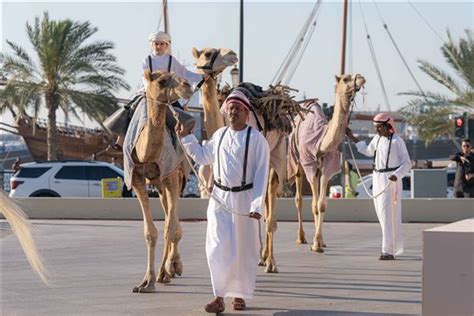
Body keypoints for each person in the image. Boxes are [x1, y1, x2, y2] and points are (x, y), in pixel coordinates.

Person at [177, 90, 270, 313]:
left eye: (237, 109)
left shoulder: (257, 140)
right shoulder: (219, 136)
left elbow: (261, 174)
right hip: (219, 199)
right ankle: (218, 296)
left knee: (243, 249)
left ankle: (239, 295)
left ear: (246, 113)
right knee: (216, 247)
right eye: (229, 108)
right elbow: (202, 156)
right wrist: (186, 138)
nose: (232, 112)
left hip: (245, 201)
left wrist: (257, 205)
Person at [105, 31, 202, 151]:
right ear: (152, 45)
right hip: (148, 92)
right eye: (156, 44)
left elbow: (184, 72)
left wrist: (200, 79)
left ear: (166, 45)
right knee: (130, 110)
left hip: (166, 95)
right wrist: (149, 90)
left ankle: (187, 146)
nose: (159, 46)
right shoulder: (147, 60)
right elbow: (145, 77)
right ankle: (121, 140)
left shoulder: (171, 60)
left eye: (162, 44)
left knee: (183, 116)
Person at [346, 113, 411, 260]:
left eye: (379, 127)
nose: (377, 130)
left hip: (391, 180)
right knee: (381, 214)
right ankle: (391, 247)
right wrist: (351, 137)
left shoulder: (397, 141)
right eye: (375, 128)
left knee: (387, 214)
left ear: (387, 126)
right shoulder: (378, 139)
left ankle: (387, 251)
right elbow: (368, 151)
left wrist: (397, 174)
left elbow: (407, 163)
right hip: (377, 178)